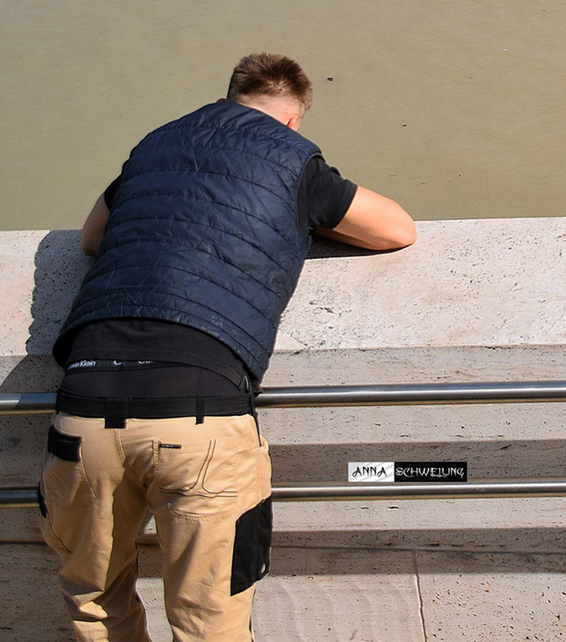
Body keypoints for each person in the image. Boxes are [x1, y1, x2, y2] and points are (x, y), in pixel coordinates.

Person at [39, 53, 416, 641]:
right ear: (292, 120)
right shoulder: (294, 159)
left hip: (83, 412)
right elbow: (397, 229)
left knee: (95, 606)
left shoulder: (155, 146)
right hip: (201, 418)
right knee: (208, 622)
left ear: (228, 98)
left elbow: (91, 239)